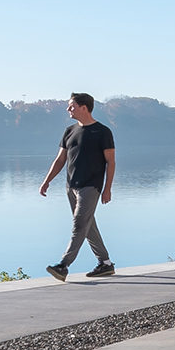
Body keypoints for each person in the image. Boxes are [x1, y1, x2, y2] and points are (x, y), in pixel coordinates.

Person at [40, 92, 118, 281]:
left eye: (71, 106)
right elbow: (60, 160)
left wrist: (107, 188)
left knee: (79, 225)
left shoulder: (102, 132)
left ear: (84, 107)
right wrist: (47, 180)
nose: (68, 109)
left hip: (91, 186)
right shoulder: (69, 131)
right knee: (87, 224)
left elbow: (111, 162)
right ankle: (105, 264)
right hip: (71, 186)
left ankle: (63, 265)